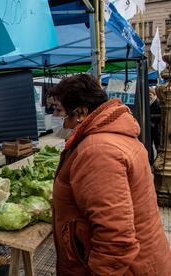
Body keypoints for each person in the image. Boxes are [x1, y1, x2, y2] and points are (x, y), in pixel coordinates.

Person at [49, 74, 171, 275]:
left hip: (130, 269)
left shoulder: (98, 150)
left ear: (80, 112)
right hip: (144, 260)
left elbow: (115, 240)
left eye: (59, 111)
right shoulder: (114, 134)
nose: (57, 118)